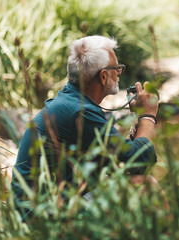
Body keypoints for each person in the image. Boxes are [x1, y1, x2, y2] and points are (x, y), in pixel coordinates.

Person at [10, 35, 159, 216]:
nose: (119, 73)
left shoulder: (72, 102)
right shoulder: (80, 111)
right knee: (144, 184)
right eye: (117, 68)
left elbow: (113, 164)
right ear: (103, 76)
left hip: (41, 208)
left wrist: (132, 138)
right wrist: (148, 116)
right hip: (43, 219)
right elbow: (140, 161)